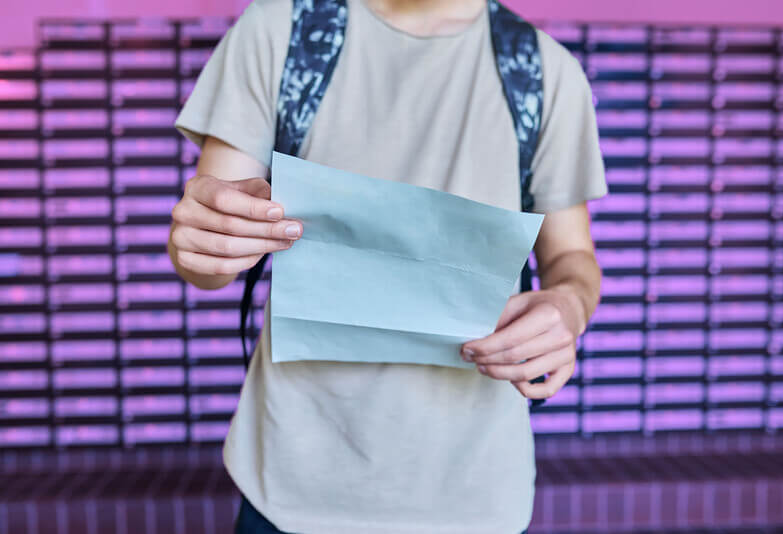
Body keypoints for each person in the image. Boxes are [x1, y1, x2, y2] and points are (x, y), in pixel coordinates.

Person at [169, 0, 607, 532]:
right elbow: (210, 260)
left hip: (476, 493)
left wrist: (569, 305)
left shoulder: (542, 70)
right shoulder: (284, 31)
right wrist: (203, 241)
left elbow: (570, 257)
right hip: (289, 484)